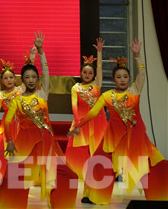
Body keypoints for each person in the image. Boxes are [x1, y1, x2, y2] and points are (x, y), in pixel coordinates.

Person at [70, 38, 168, 204]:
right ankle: (94, 196)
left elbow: (142, 74)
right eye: (118, 77)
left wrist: (137, 56)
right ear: (113, 79)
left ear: (129, 79)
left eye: (125, 77)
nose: (122, 79)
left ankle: (161, 194)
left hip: (136, 137)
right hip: (112, 139)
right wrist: (78, 125)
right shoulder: (107, 96)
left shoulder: (134, 91)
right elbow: (93, 113)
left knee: (155, 163)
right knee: (98, 162)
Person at [0, 32, 77, 209]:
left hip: (46, 143)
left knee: (67, 176)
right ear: (22, 80)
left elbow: (46, 71)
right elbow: (7, 122)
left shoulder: (42, 94)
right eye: (27, 77)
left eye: (34, 77)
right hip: (23, 143)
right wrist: (9, 141)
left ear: (38, 79)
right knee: (12, 179)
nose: (31, 80)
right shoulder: (16, 99)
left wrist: (41, 51)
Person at [0, 51, 36, 185]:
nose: (9, 80)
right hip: (6, 126)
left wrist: (32, 57)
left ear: (15, 79)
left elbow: (29, 74)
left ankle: (23, 177)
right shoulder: (0, 96)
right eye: (6, 78)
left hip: (21, 124)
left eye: (11, 77)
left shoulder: (20, 90)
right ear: (2, 81)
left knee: (22, 151)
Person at [65, 38, 107, 203]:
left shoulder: (97, 85)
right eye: (84, 72)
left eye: (90, 73)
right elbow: (74, 106)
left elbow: (100, 69)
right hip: (81, 124)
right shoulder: (76, 88)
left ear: (94, 75)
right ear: (80, 73)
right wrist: (78, 124)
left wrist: (99, 52)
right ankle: (83, 189)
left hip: (98, 125)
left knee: (96, 157)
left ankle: (94, 191)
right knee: (83, 158)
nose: (87, 75)